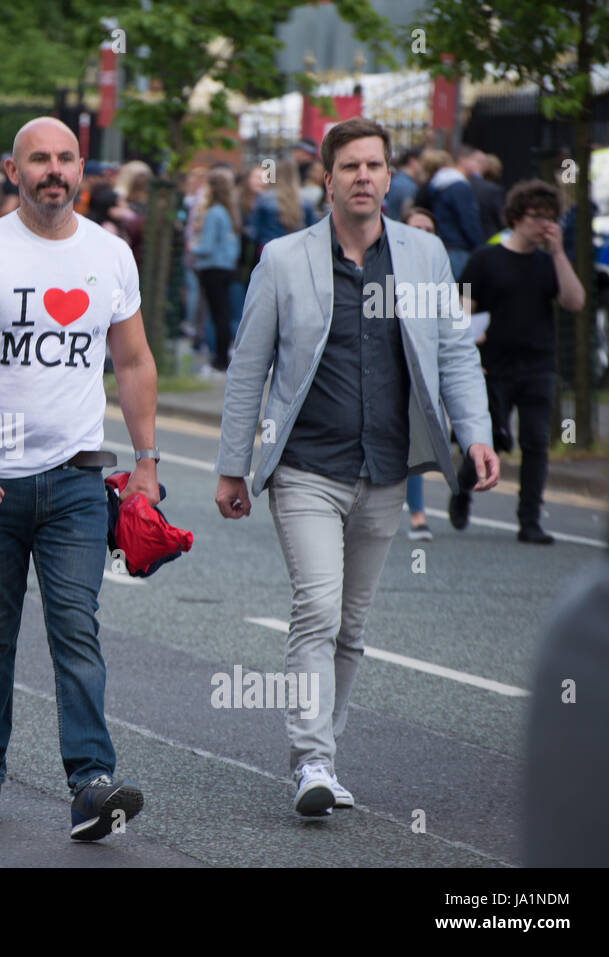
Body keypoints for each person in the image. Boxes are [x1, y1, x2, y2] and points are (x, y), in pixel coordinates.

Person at [214, 117, 498, 817]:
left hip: (386, 468)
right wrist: (231, 465)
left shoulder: (425, 256)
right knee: (317, 607)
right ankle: (311, 758)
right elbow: (249, 368)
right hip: (308, 464)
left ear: (390, 177)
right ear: (328, 178)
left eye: (375, 166)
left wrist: (477, 432)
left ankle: (325, 754)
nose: (364, 177)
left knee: (352, 624)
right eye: (351, 167)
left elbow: (455, 350)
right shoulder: (283, 259)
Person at [0, 116, 156, 841]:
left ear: (81, 166)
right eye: (38, 160)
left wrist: (147, 460)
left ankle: (91, 781)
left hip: (79, 483)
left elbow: (134, 362)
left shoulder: (111, 254)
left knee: (76, 629)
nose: (53, 170)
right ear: (12, 168)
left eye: (64, 158)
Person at [451, 179, 585, 545]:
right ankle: (462, 491)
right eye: (536, 216)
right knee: (489, 438)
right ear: (515, 216)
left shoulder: (549, 263)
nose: (544, 224)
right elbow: (463, 309)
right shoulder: (485, 259)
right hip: (494, 365)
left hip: (538, 365)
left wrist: (559, 254)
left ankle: (530, 521)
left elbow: (575, 302)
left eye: (551, 217)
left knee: (536, 442)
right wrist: (466, 352)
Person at [400, 206, 440, 540]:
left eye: (429, 229)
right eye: (417, 229)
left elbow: (457, 321)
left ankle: (417, 513)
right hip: (387, 373)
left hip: (423, 374)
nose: (423, 235)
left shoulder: (441, 271)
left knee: (414, 441)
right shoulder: (384, 269)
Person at [193, 168, 241, 373]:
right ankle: (223, 356)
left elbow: (207, 246)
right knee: (224, 312)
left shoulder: (214, 213)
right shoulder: (230, 212)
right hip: (227, 267)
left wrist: (192, 246)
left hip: (212, 267)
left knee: (216, 314)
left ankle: (219, 359)